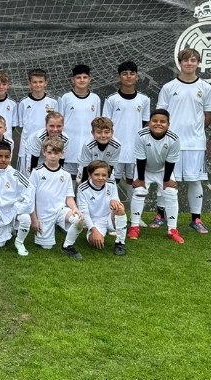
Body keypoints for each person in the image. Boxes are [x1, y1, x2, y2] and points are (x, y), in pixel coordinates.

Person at [156, 48, 211, 234]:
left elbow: (209, 115)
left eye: (193, 60)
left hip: (195, 144)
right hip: (170, 143)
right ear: (179, 63)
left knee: (195, 181)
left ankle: (196, 219)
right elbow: (160, 115)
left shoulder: (206, 88)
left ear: (198, 63)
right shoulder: (168, 87)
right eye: (185, 60)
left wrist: (195, 130)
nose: (189, 63)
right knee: (165, 180)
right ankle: (160, 216)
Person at [127, 109, 184, 244]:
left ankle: (172, 230)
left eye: (162, 121)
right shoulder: (141, 135)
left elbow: (171, 161)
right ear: (149, 122)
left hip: (164, 170)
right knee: (139, 191)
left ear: (168, 124)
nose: (158, 124)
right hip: (144, 169)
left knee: (170, 193)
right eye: (155, 121)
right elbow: (140, 159)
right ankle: (134, 226)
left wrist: (166, 180)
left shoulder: (174, 138)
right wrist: (140, 179)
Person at [102, 61, 151, 212]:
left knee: (133, 182)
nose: (128, 77)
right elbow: (105, 125)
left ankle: (134, 216)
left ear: (137, 76)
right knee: (111, 182)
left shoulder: (144, 100)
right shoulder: (111, 99)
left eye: (132, 73)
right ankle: (109, 215)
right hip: (114, 149)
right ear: (119, 77)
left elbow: (145, 125)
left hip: (135, 150)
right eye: (124, 73)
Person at [30, 138, 84, 259]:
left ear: (62, 153)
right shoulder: (36, 172)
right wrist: (34, 219)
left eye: (56, 153)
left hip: (60, 210)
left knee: (78, 219)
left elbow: (69, 197)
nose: (53, 156)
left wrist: (75, 208)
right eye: (49, 152)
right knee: (46, 247)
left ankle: (67, 245)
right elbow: (30, 198)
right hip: (43, 214)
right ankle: (47, 235)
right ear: (44, 152)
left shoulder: (65, 174)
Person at [0, 141, 33, 256]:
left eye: (7, 157)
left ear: (10, 157)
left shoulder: (15, 174)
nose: (3, 159)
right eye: (0, 156)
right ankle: (9, 229)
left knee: (26, 218)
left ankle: (19, 242)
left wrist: (21, 207)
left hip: (14, 210)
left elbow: (29, 188)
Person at [57, 64, 101, 179]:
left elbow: (98, 125)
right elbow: (59, 124)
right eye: (78, 77)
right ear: (72, 80)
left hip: (89, 150)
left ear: (89, 79)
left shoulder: (95, 99)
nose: (82, 80)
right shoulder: (65, 98)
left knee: (86, 184)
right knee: (68, 183)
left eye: (85, 77)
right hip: (69, 150)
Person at [76, 160, 127, 256]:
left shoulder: (111, 183)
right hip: (95, 221)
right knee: (94, 243)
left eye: (104, 175)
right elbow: (84, 213)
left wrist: (114, 200)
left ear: (108, 175)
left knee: (120, 207)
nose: (100, 178)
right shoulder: (82, 188)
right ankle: (99, 232)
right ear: (90, 174)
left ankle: (120, 243)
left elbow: (115, 198)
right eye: (96, 174)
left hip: (109, 217)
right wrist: (93, 230)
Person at [17, 68, 58, 175]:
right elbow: (22, 125)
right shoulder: (23, 103)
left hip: (48, 147)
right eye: (34, 82)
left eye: (40, 82)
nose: (38, 85)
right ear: (29, 83)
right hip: (28, 148)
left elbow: (57, 124)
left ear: (45, 83)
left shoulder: (53, 102)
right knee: (27, 178)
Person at [77, 117, 121, 183]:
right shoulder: (88, 145)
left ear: (112, 132)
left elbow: (110, 167)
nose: (103, 135)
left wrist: (104, 183)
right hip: (87, 170)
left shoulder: (116, 145)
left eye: (106, 132)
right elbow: (85, 168)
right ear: (92, 133)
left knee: (108, 186)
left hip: (106, 169)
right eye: (99, 132)